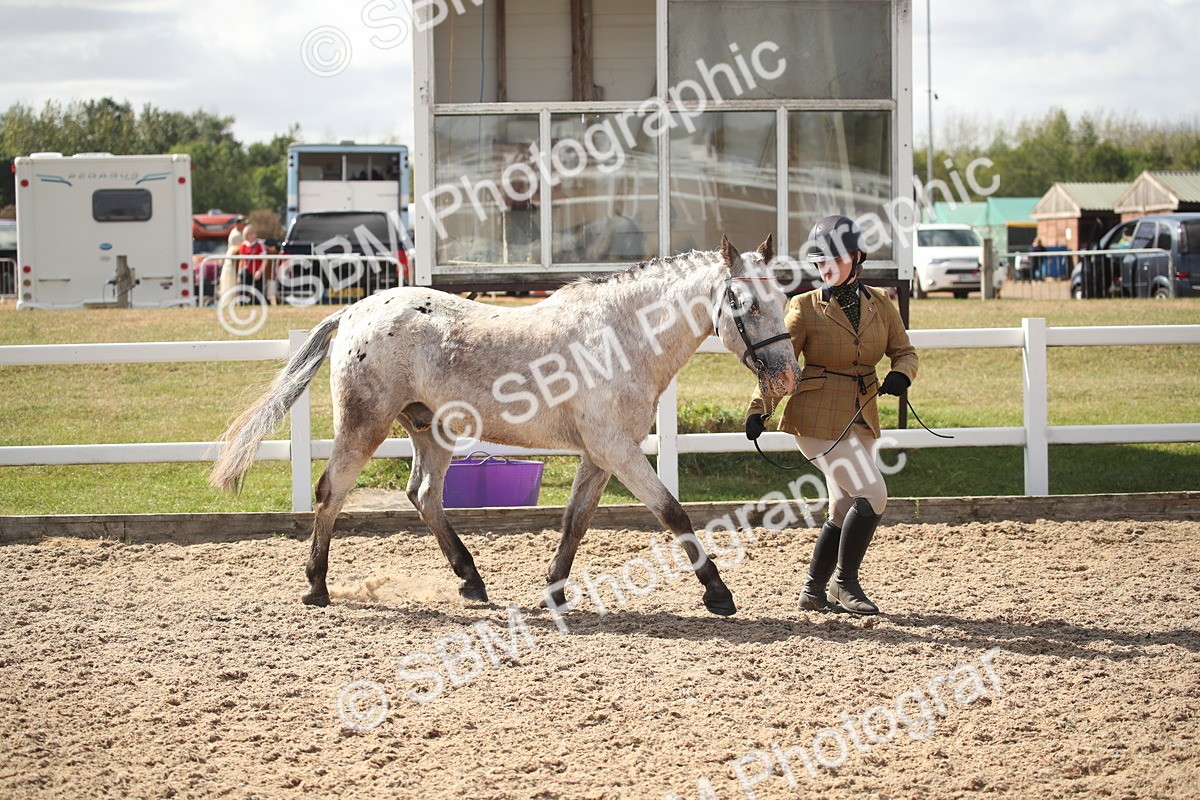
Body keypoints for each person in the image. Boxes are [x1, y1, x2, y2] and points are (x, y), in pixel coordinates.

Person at [744, 215, 918, 615]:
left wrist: (901, 374)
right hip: (815, 419)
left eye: (834, 259)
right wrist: (760, 408)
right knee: (873, 493)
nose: (825, 267)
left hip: (862, 414)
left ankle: (813, 590)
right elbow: (781, 366)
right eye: (819, 260)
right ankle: (845, 582)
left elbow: (905, 352)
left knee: (843, 505)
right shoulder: (805, 307)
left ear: (857, 257)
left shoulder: (881, 303)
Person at [237, 224, 268, 302]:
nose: (251, 235)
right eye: (249, 233)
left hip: (257, 271)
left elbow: (265, 260)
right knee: (243, 291)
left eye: (252, 233)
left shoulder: (259, 244)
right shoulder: (243, 245)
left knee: (258, 294)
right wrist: (239, 274)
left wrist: (260, 271)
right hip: (246, 271)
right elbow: (241, 261)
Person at [218, 218, 245, 305]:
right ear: (237, 224)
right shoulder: (236, 235)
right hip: (234, 257)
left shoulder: (238, 233)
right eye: (242, 223)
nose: (244, 225)